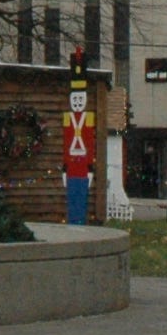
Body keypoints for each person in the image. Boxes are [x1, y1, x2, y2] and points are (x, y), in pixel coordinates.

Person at [62, 58, 94, 227]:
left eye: (80, 100)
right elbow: (66, 143)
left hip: (83, 164)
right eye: (75, 100)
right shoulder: (68, 118)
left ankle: (79, 220)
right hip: (72, 163)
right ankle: (72, 221)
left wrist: (90, 168)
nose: (77, 103)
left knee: (81, 195)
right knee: (72, 195)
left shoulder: (88, 117)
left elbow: (90, 142)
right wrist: (64, 168)